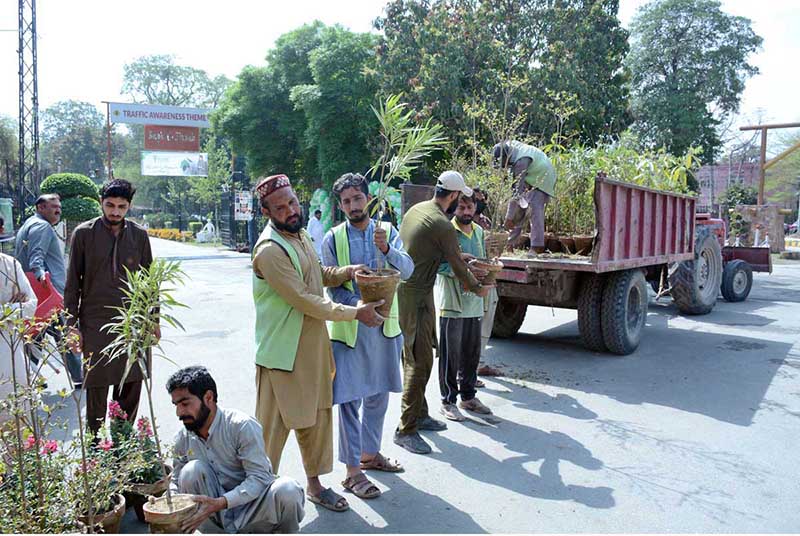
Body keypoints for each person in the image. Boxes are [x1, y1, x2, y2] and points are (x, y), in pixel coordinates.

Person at [251, 174, 384, 513]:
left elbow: (317, 274)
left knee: (316, 419)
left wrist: (345, 271)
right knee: (271, 430)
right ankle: (255, 493)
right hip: (281, 353)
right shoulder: (269, 250)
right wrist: (356, 313)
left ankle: (315, 485)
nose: (291, 210)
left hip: (312, 348)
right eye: (280, 208)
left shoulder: (300, 234)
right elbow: (306, 299)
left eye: (293, 202)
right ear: (266, 212)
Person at [321, 173, 414, 500]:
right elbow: (330, 288)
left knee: (378, 394)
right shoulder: (333, 238)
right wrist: (358, 306)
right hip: (350, 331)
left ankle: (370, 454)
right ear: (340, 205)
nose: (352, 206)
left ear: (367, 198)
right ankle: (351, 472)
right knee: (349, 399)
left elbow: (408, 269)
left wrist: (386, 248)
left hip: (386, 329)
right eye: (346, 201)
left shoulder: (386, 231)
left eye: (357, 199)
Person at [394, 170, 492, 455]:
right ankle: (405, 429)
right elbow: (459, 267)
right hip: (415, 293)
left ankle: (420, 414)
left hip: (414, 290)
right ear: (452, 196)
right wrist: (477, 288)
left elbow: (433, 251)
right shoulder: (442, 224)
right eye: (459, 199)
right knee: (419, 360)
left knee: (419, 352)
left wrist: (460, 258)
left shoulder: (418, 209)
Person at [64, 179, 155, 433]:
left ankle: (122, 451)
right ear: (101, 203)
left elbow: (149, 283)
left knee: (131, 384)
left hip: (132, 325)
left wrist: (153, 320)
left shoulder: (139, 235)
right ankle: (95, 452)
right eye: (110, 205)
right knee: (96, 388)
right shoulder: (84, 234)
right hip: (95, 324)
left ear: (129, 206)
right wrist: (71, 326)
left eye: (121, 207)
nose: (115, 211)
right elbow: (72, 286)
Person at [167, 366, 305, 533]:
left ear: (208, 397)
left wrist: (221, 502)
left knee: (288, 490)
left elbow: (259, 477)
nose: (179, 412)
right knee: (190, 471)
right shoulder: (183, 437)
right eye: (176, 405)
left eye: (185, 403)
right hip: (214, 516)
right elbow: (176, 481)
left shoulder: (241, 426)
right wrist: (164, 502)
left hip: (254, 508)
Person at [14, 193, 83, 387]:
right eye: (53, 206)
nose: (58, 209)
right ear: (40, 207)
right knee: (64, 333)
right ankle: (79, 377)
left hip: (38, 294)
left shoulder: (30, 223)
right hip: (49, 294)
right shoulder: (41, 226)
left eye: (59, 206)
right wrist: (40, 274)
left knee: (36, 336)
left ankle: (31, 376)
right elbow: (36, 255)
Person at [437, 193, 494, 421]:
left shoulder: (479, 232)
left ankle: (468, 396)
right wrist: (463, 274)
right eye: (461, 207)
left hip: (474, 303)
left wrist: (487, 274)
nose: (466, 211)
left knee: (472, 353)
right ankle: (448, 401)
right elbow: (439, 265)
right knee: (450, 355)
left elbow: (484, 262)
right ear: (454, 207)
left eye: (470, 207)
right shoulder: (446, 232)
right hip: (452, 302)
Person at [493, 140, 557, 254]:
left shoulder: (521, 162)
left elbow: (516, 192)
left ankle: (536, 248)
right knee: (519, 210)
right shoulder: (510, 146)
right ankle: (509, 244)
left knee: (535, 210)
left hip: (542, 176)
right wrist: (512, 215)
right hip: (531, 175)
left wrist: (508, 217)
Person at [0, 252, 37, 417]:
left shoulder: (10, 264)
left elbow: (30, 306)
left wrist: (8, 310)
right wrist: (9, 308)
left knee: (16, 411)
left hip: (10, 350)